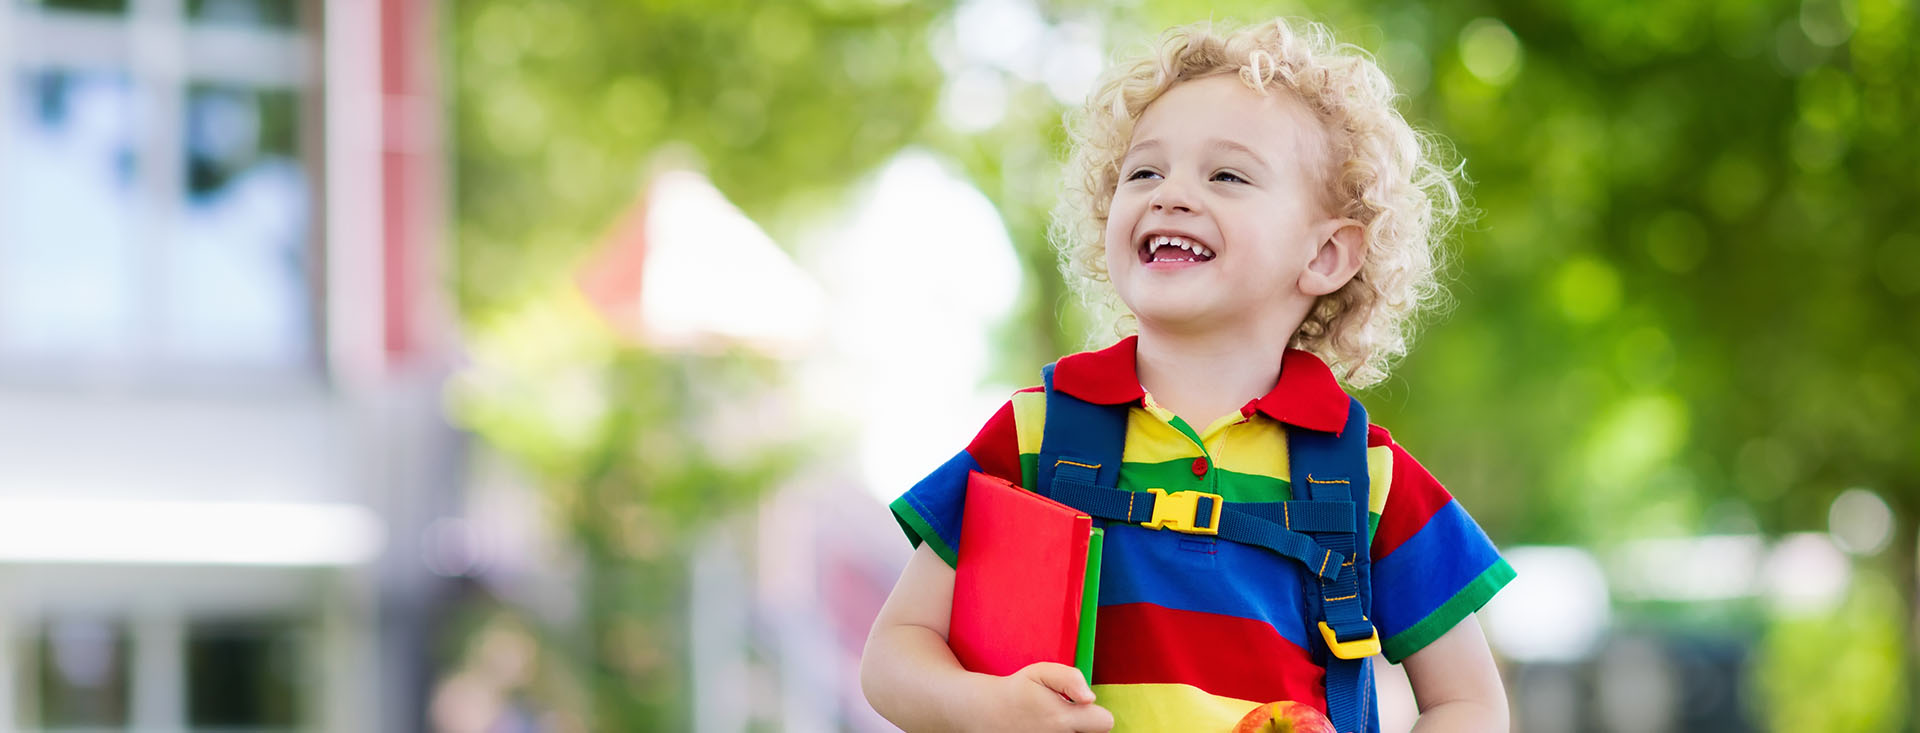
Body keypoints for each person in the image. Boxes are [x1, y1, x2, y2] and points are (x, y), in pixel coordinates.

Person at [861, 17, 1514, 732]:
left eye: (1227, 175)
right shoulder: (1037, 433)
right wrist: (985, 707)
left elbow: (1471, 703)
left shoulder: (1367, 479)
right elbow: (894, 655)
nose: (1168, 194)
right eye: (1144, 171)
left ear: (1326, 255)